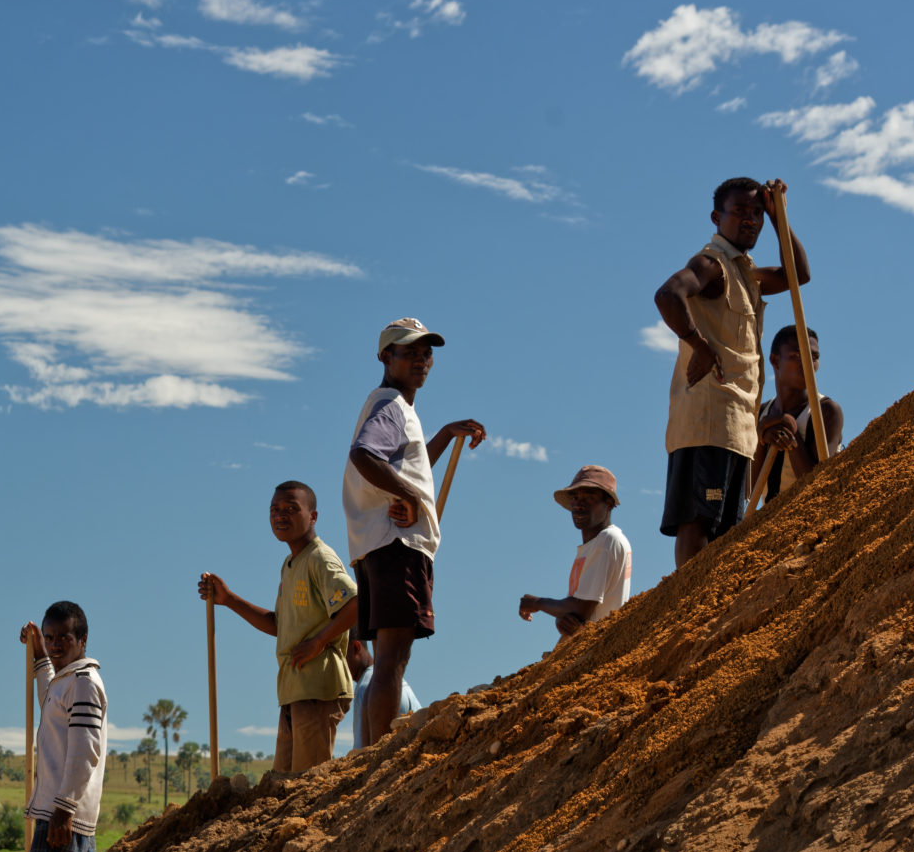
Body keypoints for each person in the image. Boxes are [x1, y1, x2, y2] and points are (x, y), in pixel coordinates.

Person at [343, 318, 486, 748]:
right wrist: (407, 495)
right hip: (396, 546)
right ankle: (378, 758)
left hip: (377, 546)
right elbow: (365, 455)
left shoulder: (395, 408)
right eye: (409, 352)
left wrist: (442, 435)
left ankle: (372, 754)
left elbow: (410, 470)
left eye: (427, 352)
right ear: (386, 357)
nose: (421, 359)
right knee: (392, 658)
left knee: (389, 656)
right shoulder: (390, 405)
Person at [652, 178, 810, 568]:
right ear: (716, 217)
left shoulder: (747, 274)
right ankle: (686, 612)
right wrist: (698, 343)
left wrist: (779, 216)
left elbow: (798, 274)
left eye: (756, 212)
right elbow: (668, 294)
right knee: (699, 523)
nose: (749, 219)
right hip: (709, 420)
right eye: (740, 211)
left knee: (725, 530)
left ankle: (700, 610)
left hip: (738, 427)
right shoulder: (712, 264)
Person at [199, 482, 359, 775]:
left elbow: (355, 604)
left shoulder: (319, 558)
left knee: (305, 786)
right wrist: (229, 599)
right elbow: (280, 625)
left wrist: (319, 642)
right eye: (275, 509)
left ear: (313, 517)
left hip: (317, 686)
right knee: (282, 787)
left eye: (291, 509)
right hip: (293, 689)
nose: (280, 515)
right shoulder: (290, 563)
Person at [18, 602, 109, 852]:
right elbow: (48, 698)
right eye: (49, 637)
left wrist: (64, 807)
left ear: (82, 641)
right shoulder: (66, 681)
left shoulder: (83, 682)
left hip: (63, 811)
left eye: (64, 638)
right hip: (59, 809)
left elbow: (85, 749)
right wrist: (40, 655)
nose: (55, 644)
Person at [519, 467, 634, 637]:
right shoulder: (596, 544)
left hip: (598, 646)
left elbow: (580, 609)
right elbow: (574, 610)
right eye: (574, 498)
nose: (579, 505)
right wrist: (562, 619)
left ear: (609, 504)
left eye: (589, 497)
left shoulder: (607, 541)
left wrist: (536, 603)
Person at [752, 326, 845, 504]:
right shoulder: (761, 413)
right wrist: (760, 438)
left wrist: (792, 433)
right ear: (775, 361)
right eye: (798, 355)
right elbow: (750, 490)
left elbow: (818, 487)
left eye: (815, 357)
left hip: (809, 523)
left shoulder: (825, 411)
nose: (809, 363)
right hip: (768, 525)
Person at [347, 639, 419, 753]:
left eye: (339, 655)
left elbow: (361, 754)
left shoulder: (366, 688)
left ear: (356, 648)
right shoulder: (393, 681)